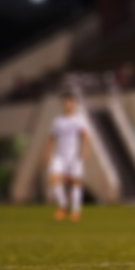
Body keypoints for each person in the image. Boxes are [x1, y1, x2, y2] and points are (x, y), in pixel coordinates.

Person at [44, 92, 89, 222]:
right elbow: (51, 138)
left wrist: (84, 152)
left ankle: (75, 211)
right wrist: (48, 153)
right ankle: (63, 206)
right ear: (63, 104)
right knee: (53, 178)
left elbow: (85, 137)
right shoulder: (57, 121)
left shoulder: (78, 120)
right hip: (59, 156)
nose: (68, 104)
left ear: (74, 104)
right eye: (66, 102)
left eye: (70, 102)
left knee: (76, 184)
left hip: (74, 156)